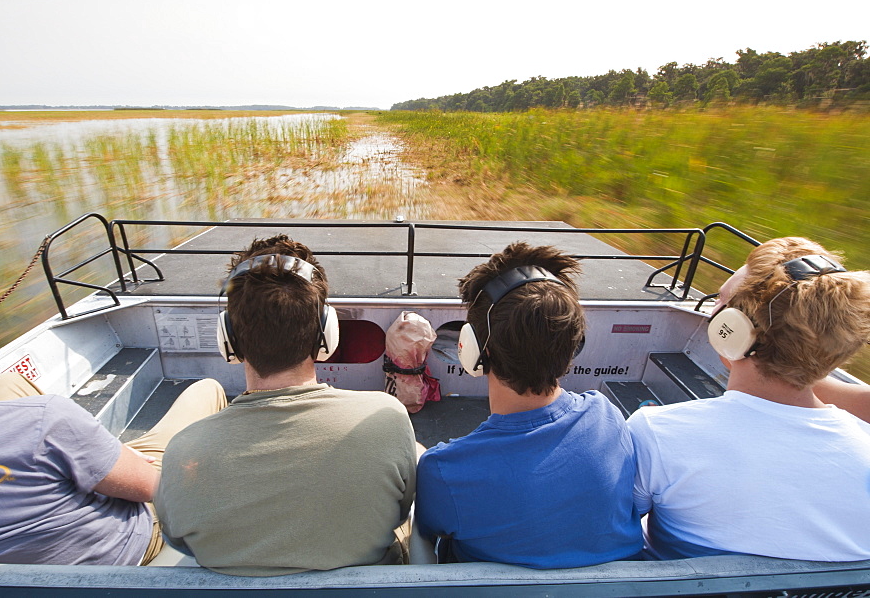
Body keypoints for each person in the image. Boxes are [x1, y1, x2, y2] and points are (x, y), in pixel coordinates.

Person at [0, 240, 227, 577]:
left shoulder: (40, 424)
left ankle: (93, 457)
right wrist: (106, 459)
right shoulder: (43, 423)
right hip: (123, 550)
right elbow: (158, 488)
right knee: (206, 389)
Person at [155, 234, 417, 576]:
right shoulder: (388, 420)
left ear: (229, 340)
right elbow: (399, 512)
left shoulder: (182, 454)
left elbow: (178, 541)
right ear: (327, 334)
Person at [627, 236, 870, 561]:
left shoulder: (657, 431)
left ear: (730, 330)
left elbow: (608, 531)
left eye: (721, 301)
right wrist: (803, 361)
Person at [414, 242, 643, 568]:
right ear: (573, 346)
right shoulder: (606, 415)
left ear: (474, 350)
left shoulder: (444, 469)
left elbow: (432, 530)